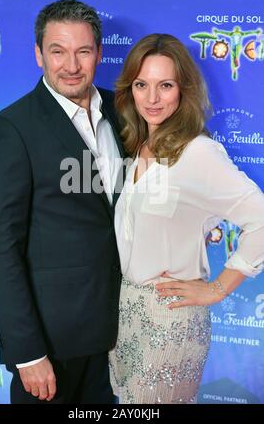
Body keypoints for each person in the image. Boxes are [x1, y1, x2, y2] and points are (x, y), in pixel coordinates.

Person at [0, 0, 124, 404]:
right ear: (39, 54)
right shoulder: (12, 128)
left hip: (119, 336)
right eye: (58, 51)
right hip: (51, 345)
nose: (71, 65)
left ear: (98, 52)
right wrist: (27, 352)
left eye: (83, 51)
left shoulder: (123, 109)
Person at [108, 33, 264, 404]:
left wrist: (217, 288)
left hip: (171, 322)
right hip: (124, 319)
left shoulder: (199, 153)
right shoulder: (137, 145)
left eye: (165, 85)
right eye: (141, 85)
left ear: (184, 90)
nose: (152, 98)